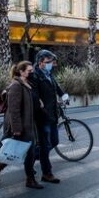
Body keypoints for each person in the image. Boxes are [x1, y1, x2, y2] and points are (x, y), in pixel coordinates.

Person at [0, 61, 43, 189]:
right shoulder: (16, 86)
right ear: (21, 72)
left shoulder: (27, 84)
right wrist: (17, 129)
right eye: (29, 71)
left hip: (30, 124)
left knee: (25, 153)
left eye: (32, 71)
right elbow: (14, 110)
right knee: (28, 153)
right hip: (22, 125)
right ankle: (30, 180)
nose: (32, 73)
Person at [31, 49, 68, 184]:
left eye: (52, 62)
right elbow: (34, 94)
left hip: (52, 115)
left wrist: (64, 96)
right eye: (48, 62)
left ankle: (29, 159)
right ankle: (47, 173)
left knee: (54, 141)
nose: (51, 64)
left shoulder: (48, 75)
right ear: (41, 62)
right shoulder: (35, 76)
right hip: (42, 116)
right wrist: (39, 102)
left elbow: (57, 88)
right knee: (45, 145)